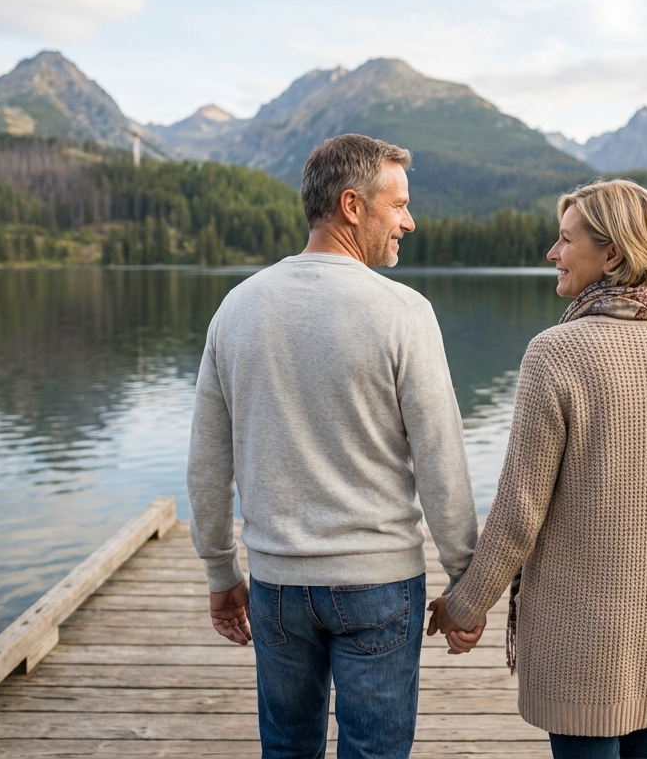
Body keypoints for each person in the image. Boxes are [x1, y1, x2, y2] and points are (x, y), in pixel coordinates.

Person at [187, 133, 482, 759]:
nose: (410, 220)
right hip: (378, 586)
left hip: (276, 586)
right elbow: (441, 463)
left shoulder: (236, 308)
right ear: (353, 205)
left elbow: (208, 463)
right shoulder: (403, 312)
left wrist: (221, 573)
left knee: (287, 749)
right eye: (397, 205)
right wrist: (465, 580)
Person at [428, 179, 647, 759]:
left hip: (581, 639)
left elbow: (520, 513)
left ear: (612, 254)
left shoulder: (557, 352)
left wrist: (464, 606)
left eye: (566, 240)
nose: (553, 253)